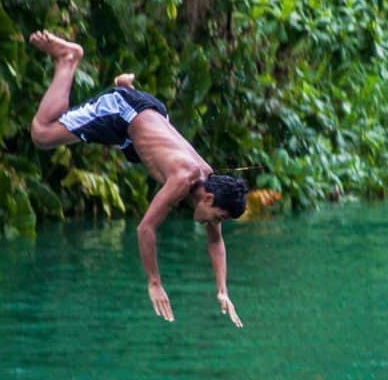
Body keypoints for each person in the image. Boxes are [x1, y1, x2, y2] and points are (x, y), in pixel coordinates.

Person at [28, 30, 248, 327]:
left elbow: (216, 244)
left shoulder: (209, 181)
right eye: (217, 216)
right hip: (124, 113)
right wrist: (154, 282)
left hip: (148, 121)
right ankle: (69, 59)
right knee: (42, 134)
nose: (213, 223)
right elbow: (145, 229)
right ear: (208, 199)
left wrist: (223, 290)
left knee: (142, 148)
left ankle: (127, 86)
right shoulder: (183, 179)